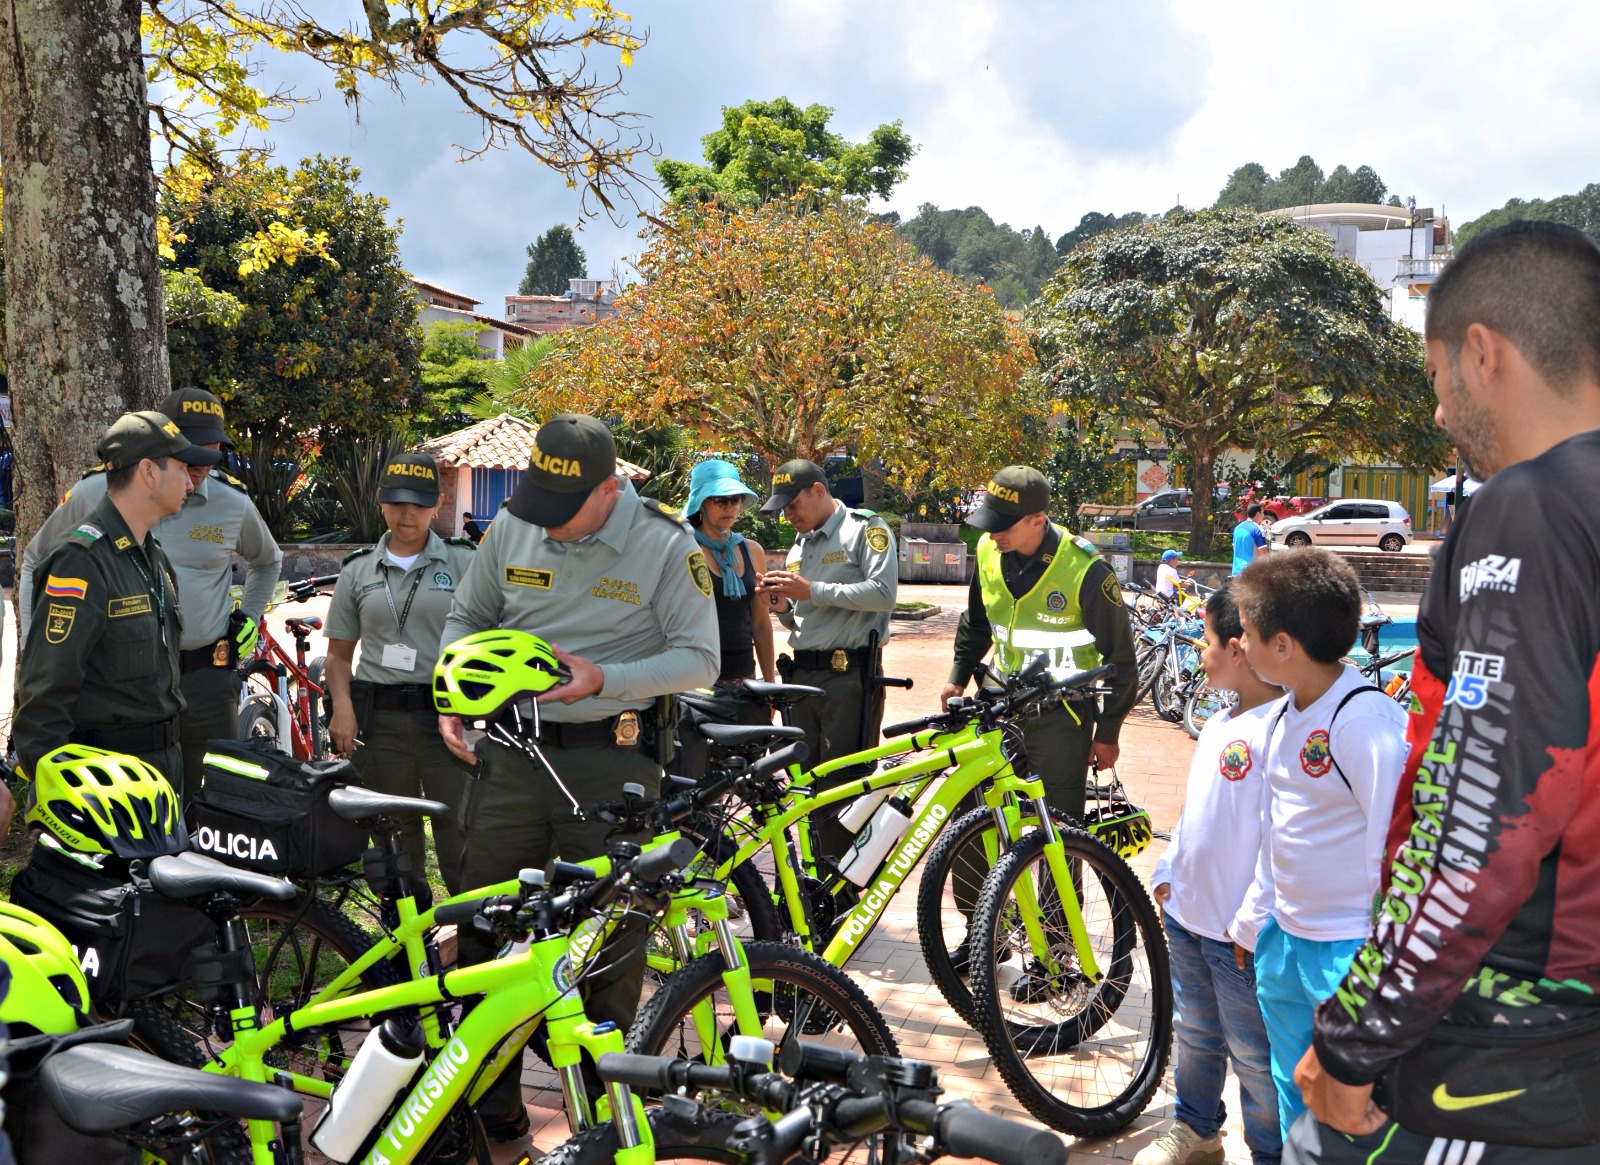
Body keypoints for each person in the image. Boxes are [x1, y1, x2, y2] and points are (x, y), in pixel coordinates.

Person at [1287, 223, 1600, 1164]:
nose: (1437, 412)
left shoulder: (1533, 506)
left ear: (1481, 351)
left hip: (1508, 1061)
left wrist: (1354, 1040)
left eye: (1433, 379)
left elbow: (1482, 815)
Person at [437, 414, 718, 1142]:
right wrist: (452, 687)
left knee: (611, 944)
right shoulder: (515, 524)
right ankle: (492, 1105)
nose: (548, 526)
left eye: (564, 512)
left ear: (606, 489)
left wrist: (606, 677)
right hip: (510, 755)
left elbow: (700, 659)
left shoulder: (664, 543)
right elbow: (468, 611)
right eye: (541, 508)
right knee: (485, 925)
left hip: (610, 761)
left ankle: (601, 1112)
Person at [18, 387, 282, 795]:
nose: (194, 477)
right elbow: (49, 685)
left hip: (191, 695)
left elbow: (268, 560)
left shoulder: (155, 554)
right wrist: (50, 783)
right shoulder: (86, 544)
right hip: (112, 733)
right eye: (184, 461)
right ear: (149, 469)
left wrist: (247, 615)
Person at [1228, 548, 1407, 1143]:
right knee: (1293, 1092)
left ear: (1283, 646)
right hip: (1286, 944)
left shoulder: (1363, 721)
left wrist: (1379, 964)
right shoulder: (1283, 717)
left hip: (1349, 952)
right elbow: (1280, 832)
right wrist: (1255, 922)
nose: (1240, 645)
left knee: (1355, 1113)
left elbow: (1395, 848)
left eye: (1248, 633)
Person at [1138, 581, 1285, 1165]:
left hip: (1238, 933)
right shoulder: (1219, 721)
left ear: (1238, 647)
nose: (1199, 652)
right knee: (1195, 1032)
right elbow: (1195, 809)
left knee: (1253, 1053)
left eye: (1205, 640)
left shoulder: (1281, 728)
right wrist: (1168, 869)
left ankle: (1270, 1151)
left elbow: (1280, 838)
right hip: (1189, 917)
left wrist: (1251, 920)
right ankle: (1198, 1129)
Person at [942, 465, 1139, 824]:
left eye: (1004, 524)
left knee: (1059, 832)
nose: (993, 532)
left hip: (1061, 720)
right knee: (974, 820)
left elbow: (1121, 660)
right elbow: (976, 621)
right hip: (998, 708)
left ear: (1038, 519)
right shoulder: (988, 550)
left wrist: (1108, 733)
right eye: (990, 521)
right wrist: (957, 675)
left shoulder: (1084, 569)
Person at [324, 452, 477, 898]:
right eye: (397, 502)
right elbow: (337, 656)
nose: (407, 513)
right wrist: (342, 708)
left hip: (448, 718)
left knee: (458, 827)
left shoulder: (464, 562)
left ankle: (470, 937)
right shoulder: (357, 569)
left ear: (438, 502)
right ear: (380, 501)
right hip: (382, 720)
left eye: (419, 503)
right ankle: (405, 938)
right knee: (393, 831)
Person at [757, 458, 898, 860]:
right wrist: (782, 605)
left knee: (842, 786)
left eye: (793, 505)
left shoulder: (865, 529)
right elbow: (801, 614)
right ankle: (817, 878)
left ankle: (843, 888)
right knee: (805, 784)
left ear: (819, 491)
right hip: (802, 677)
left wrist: (812, 590)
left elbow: (883, 594)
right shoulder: (801, 545)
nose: (788, 515)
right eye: (782, 508)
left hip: (847, 677)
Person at [683, 458, 776, 689]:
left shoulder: (752, 551)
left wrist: (771, 686)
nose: (730, 507)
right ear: (700, 503)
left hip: (744, 677)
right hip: (694, 680)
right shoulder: (683, 548)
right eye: (719, 499)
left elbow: (762, 624)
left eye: (736, 499)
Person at [1233, 503, 1269, 575]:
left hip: (1236, 572)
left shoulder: (1237, 528)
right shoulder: (1258, 530)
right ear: (1258, 513)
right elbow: (1263, 554)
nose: (1263, 515)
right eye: (1262, 513)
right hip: (1251, 574)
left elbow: (1235, 548)